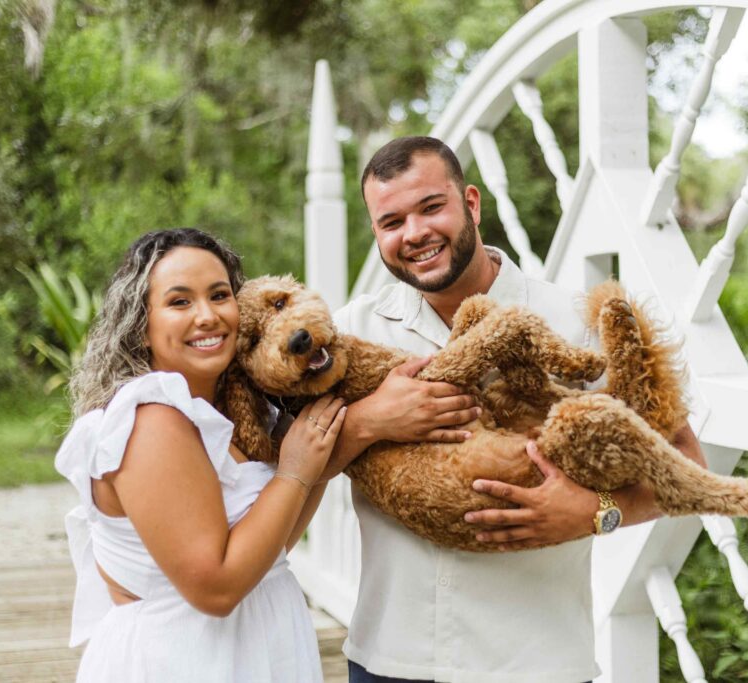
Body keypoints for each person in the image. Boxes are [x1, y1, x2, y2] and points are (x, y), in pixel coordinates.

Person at [322, 137, 708, 683]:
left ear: (471, 204)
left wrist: (595, 511)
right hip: (389, 658)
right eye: (391, 222)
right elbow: (289, 464)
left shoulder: (574, 321)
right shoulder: (350, 330)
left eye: (432, 207)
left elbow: (687, 462)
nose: (414, 234)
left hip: (536, 662)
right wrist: (369, 421)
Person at [55, 228, 345, 682]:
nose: (207, 316)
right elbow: (216, 588)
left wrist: (322, 458)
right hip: (185, 660)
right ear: (141, 324)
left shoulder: (224, 411)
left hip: (258, 648)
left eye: (219, 295)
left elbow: (269, 549)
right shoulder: (152, 419)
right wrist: (294, 471)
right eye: (180, 302)